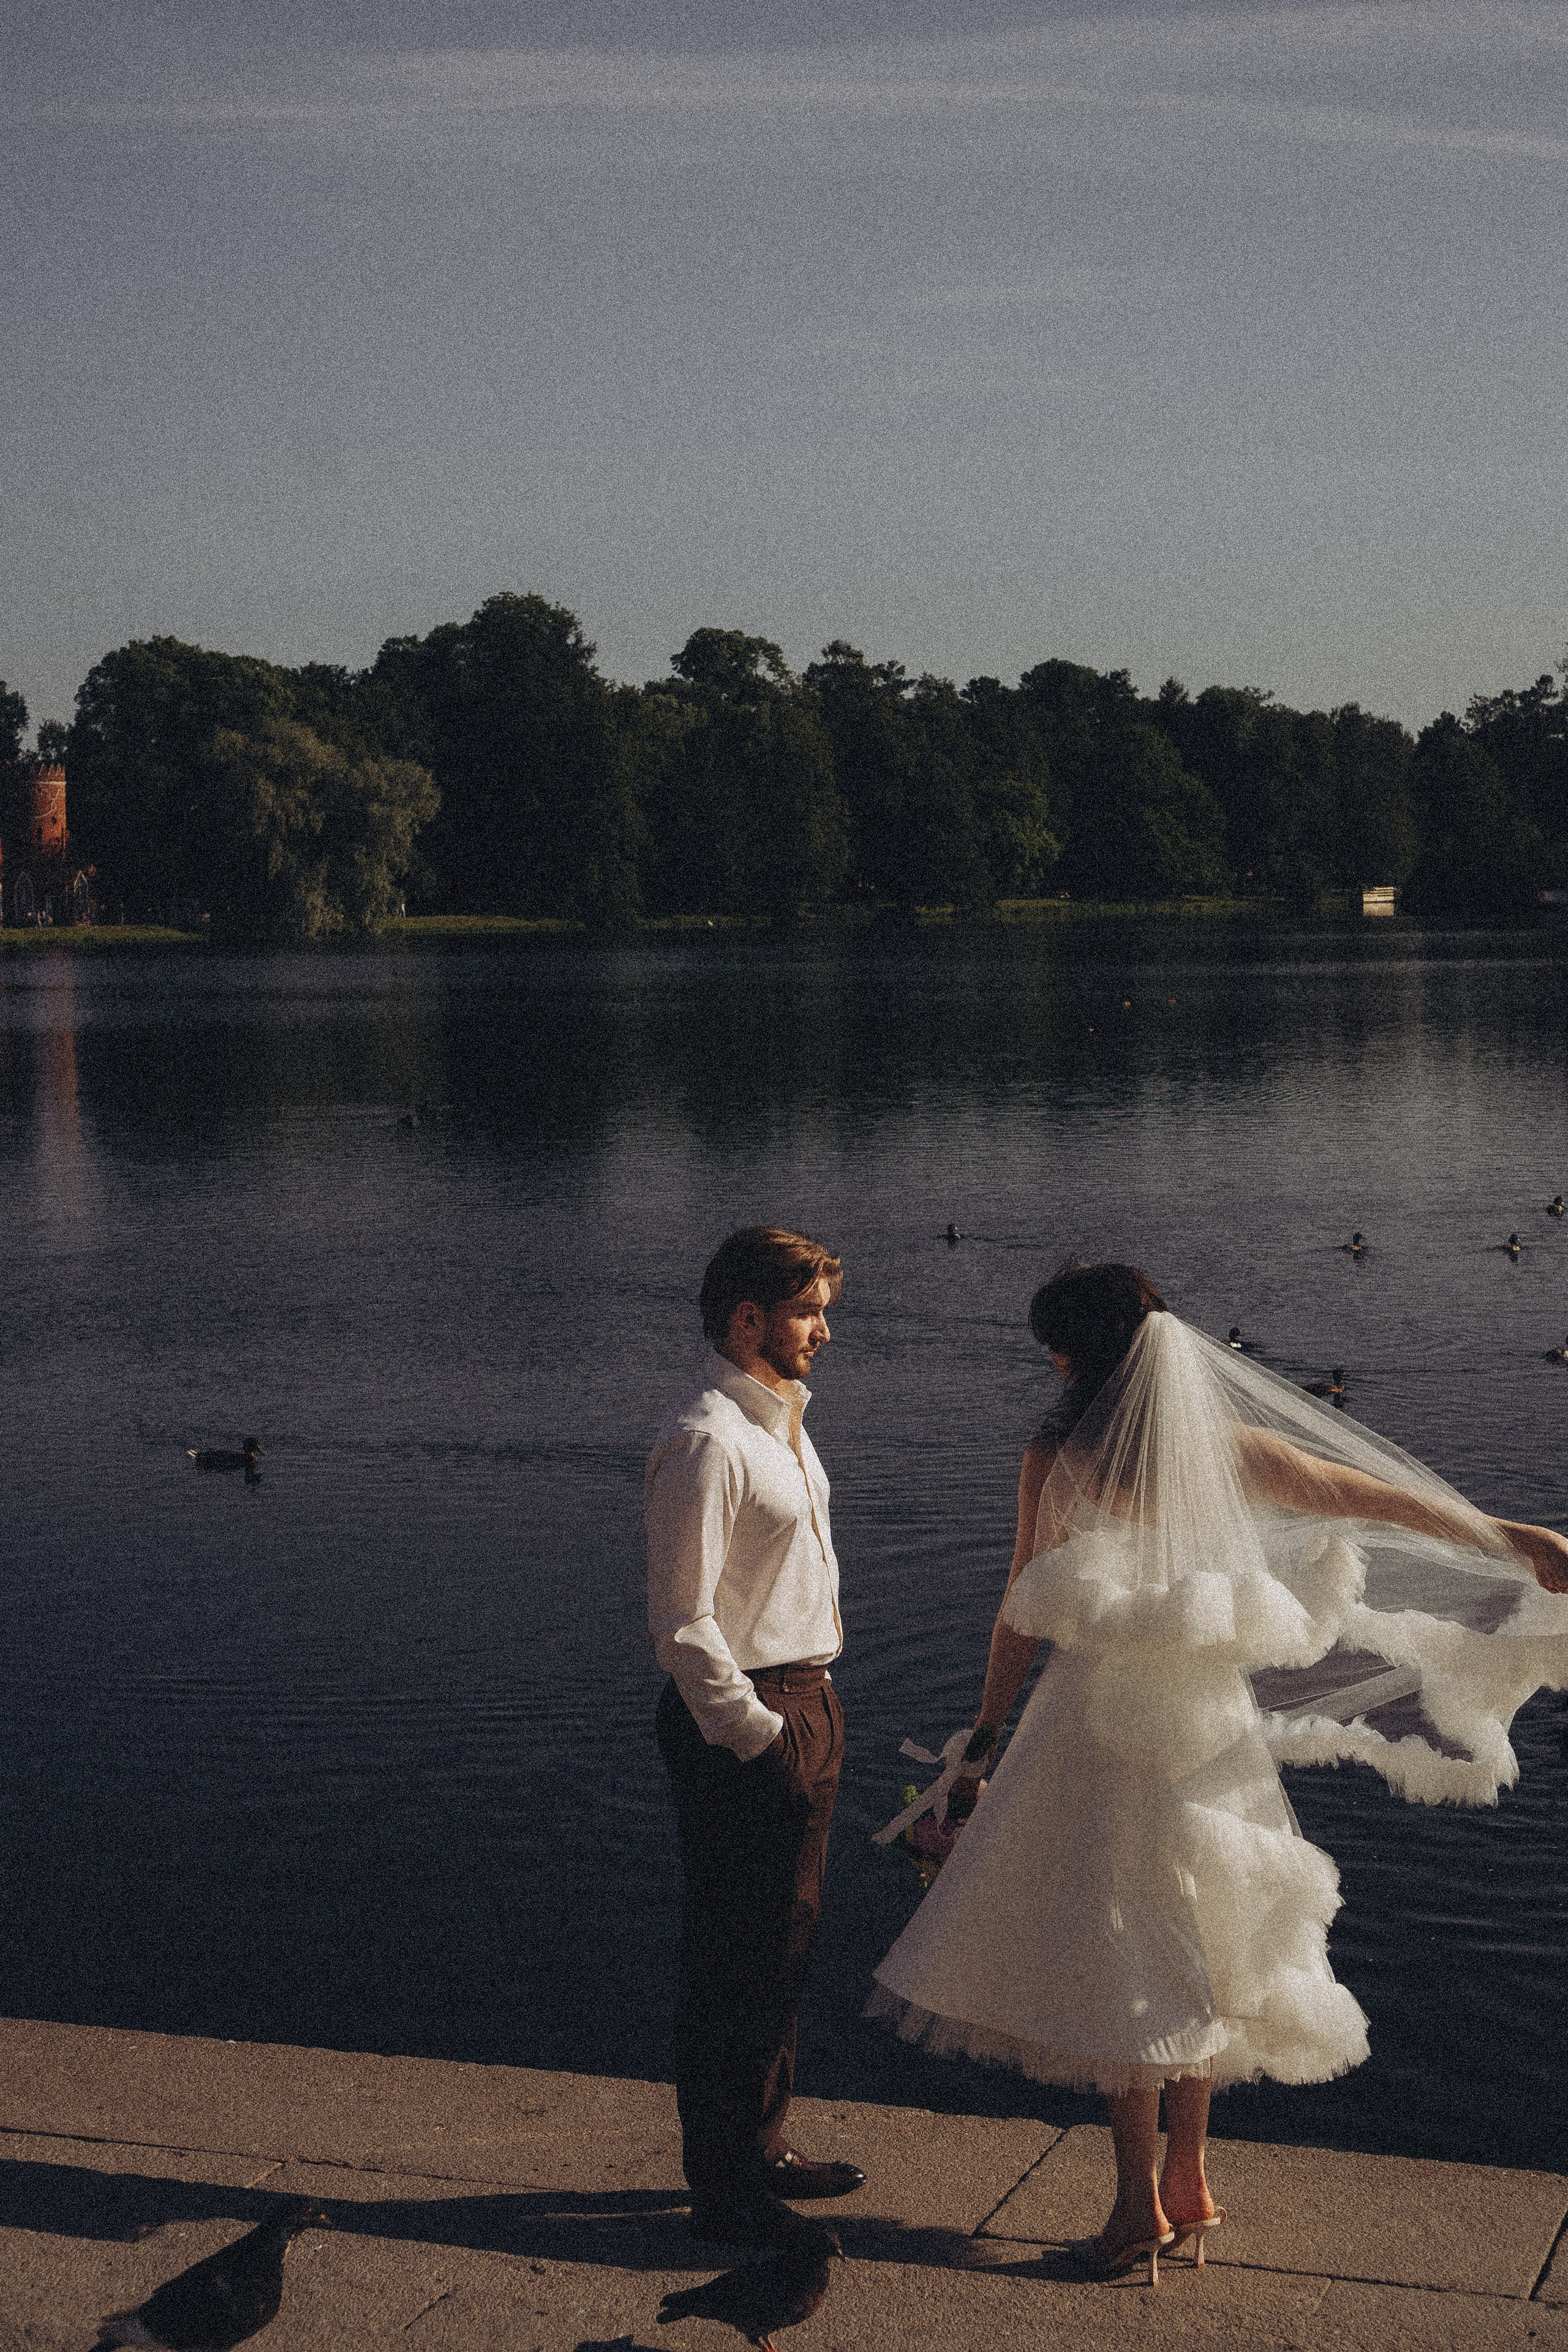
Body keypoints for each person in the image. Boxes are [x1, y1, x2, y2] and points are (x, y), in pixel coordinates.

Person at [869, 1261, 1568, 2284]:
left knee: (1123, 1955)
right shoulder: (1230, 1452)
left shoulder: (1059, 1455)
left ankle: (1133, 2213)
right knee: (1200, 1934)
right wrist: (1519, 1542)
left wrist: (982, 1734)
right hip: (1206, 1729)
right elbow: (1386, 1502)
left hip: (1095, 1734)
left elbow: (1021, 1605)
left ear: (1070, 1359)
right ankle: (1188, 2181)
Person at [648, 1226, 866, 2248]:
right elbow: (684, 1624)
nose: (825, 1329)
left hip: (805, 1698)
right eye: (808, 1310)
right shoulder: (707, 1439)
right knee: (734, 1954)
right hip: (746, 1718)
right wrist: (761, 1737)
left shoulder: (780, 1424)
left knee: (787, 1941)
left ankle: (762, 2144)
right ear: (748, 1320)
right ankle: (721, 2183)